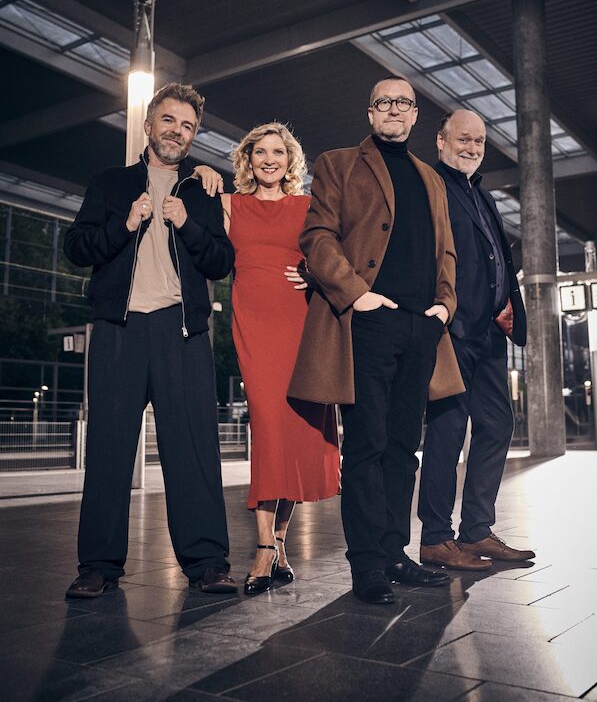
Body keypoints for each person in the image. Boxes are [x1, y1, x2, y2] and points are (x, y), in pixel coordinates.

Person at [288, 77, 465, 604]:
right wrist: (357, 294)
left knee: (403, 448)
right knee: (366, 445)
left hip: (421, 327)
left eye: (404, 103)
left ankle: (393, 552)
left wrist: (445, 305)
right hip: (367, 322)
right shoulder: (338, 163)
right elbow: (316, 236)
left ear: (415, 115)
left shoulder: (431, 178)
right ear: (371, 113)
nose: (394, 110)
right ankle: (366, 564)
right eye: (384, 102)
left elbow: (446, 250)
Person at [63, 83, 237, 599]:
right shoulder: (110, 184)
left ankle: (207, 563)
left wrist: (188, 226)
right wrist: (125, 224)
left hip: (181, 332)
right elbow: (77, 247)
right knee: (109, 449)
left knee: (194, 450)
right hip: (119, 330)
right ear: (148, 124)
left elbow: (221, 262)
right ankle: (98, 565)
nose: (176, 131)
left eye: (187, 126)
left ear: (193, 135)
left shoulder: (203, 191)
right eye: (169, 120)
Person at [197, 122, 340, 596]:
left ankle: (278, 544)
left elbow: (336, 255)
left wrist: (313, 276)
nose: (269, 160)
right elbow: (187, 198)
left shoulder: (307, 206)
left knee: (294, 433)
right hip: (254, 328)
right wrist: (199, 172)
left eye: (278, 152)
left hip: (300, 326)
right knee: (268, 427)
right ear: (248, 159)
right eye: (260, 152)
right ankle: (263, 546)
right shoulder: (230, 205)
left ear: (290, 160)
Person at [418, 109, 535, 570]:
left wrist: (504, 301)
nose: (472, 147)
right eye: (463, 139)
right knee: (447, 432)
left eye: (479, 141)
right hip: (452, 332)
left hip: (488, 333)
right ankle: (435, 537)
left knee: (498, 424)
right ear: (441, 141)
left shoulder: (480, 193)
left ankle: (477, 530)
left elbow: (494, 257)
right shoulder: (432, 186)